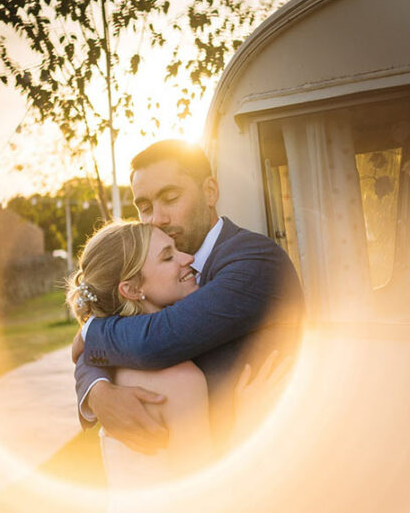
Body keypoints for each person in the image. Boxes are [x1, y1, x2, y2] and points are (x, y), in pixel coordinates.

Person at [72, 139, 304, 455]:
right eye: (144, 207)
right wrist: (97, 391)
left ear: (210, 191)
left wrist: (90, 331)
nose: (157, 218)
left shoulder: (256, 260)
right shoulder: (159, 282)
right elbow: (115, 343)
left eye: (170, 198)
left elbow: (157, 340)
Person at [66, 221, 214, 483]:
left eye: (176, 248)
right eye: (168, 257)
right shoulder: (181, 381)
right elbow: (204, 494)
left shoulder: (110, 367)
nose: (188, 258)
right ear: (132, 289)